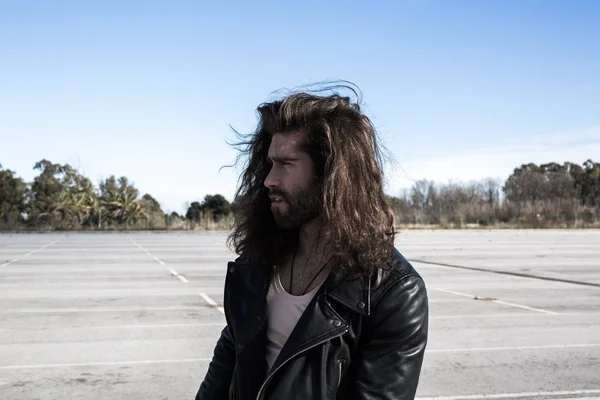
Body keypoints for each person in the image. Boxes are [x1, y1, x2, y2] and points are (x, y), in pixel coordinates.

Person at [195, 83, 429, 400]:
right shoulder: (259, 260)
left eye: (286, 164)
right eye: (270, 163)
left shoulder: (392, 292)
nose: (268, 180)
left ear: (332, 174)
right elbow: (226, 366)